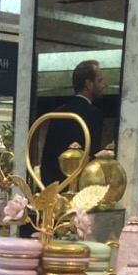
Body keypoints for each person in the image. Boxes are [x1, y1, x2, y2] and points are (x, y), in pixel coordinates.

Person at [40, 60, 105, 188]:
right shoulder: (95, 114)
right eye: (100, 81)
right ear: (89, 84)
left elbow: (47, 159)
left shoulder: (58, 113)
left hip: (56, 189)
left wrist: (49, 191)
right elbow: (92, 157)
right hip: (82, 190)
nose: (103, 85)